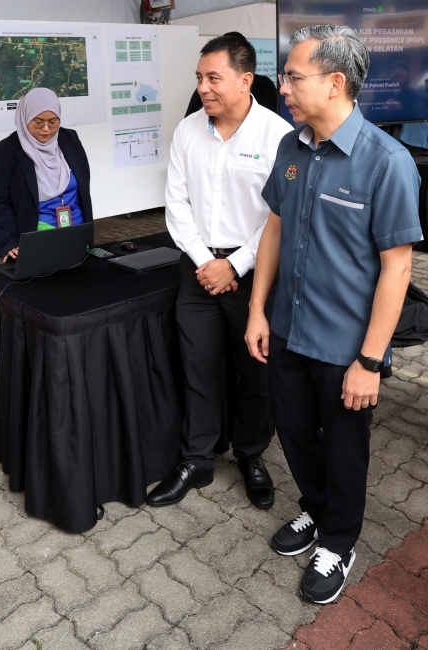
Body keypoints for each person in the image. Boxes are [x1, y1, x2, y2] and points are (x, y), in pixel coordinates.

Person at [245, 25, 422, 604]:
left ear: (336, 82)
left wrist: (370, 360)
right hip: (288, 329)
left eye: (294, 77)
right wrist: (257, 311)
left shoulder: (387, 163)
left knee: (345, 449)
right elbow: (273, 228)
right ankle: (317, 511)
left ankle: (339, 539)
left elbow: (397, 269)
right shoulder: (290, 147)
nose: (284, 88)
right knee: (295, 436)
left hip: (347, 346)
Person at [149, 33, 293, 509]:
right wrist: (205, 262)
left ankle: (252, 455)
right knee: (197, 367)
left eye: (214, 78)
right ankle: (197, 460)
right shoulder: (188, 130)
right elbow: (176, 204)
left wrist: (233, 264)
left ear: (245, 79)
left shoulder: (277, 136)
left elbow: (278, 217)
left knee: (255, 371)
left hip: (254, 270)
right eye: (199, 78)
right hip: (197, 266)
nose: (203, 88)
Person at [0, 87, 93, 261]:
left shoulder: (69, 140)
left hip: (78, 233)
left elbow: (84, 183)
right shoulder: (8, 150)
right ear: (25, 117)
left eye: (53, 122)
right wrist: (6, 242)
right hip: (36, 241)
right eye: (38, 122)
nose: (46, 129)